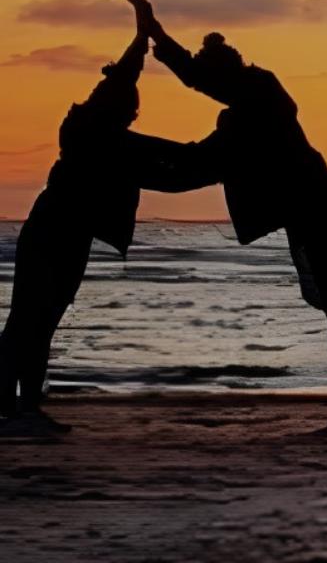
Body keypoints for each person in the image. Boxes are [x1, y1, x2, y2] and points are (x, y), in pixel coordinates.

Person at [129, 0, 327, 434]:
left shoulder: (260, 96)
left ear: (228, 76)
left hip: (315, 208)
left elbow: (195, 150)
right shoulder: (251, 107)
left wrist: (158, 41)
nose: (204, 86)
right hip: (315, 207)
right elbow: (193, 162)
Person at [0, 31, 202, 436]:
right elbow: (174, 167)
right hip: (56, 236)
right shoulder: (111, 142)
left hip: (53, 232)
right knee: (33, 321)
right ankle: (19, 409)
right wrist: (217, 161)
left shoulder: (82, 126)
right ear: (120, 114)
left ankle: (20, 407)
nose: (132, 118)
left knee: (33, 320)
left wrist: (141, 37)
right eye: (130, 113)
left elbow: (121, 80)